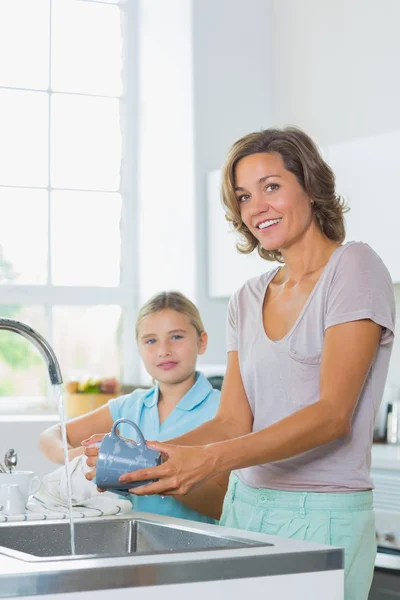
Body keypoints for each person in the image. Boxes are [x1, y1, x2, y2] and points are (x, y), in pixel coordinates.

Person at [110, 127, 396, 600]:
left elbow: (332, 416)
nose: (256, 207)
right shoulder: (246, 298)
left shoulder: (354, 268)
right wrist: (145, 457)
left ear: (310, 185)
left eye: (271, 187)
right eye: (244, 196)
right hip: (244, 506)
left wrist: (209, 460)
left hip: (322, 512)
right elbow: (232, 420)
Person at [39, 291, 225, 524]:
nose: (163, 350)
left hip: (200, 546)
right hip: (136, 539)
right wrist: (74, 455)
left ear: (202, 341)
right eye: (150, 340)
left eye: (176, 337)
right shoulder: (129, 406)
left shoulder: (224, 412)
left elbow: (223, 505)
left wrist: (149, 468)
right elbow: (50, 436)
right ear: (138, 348)